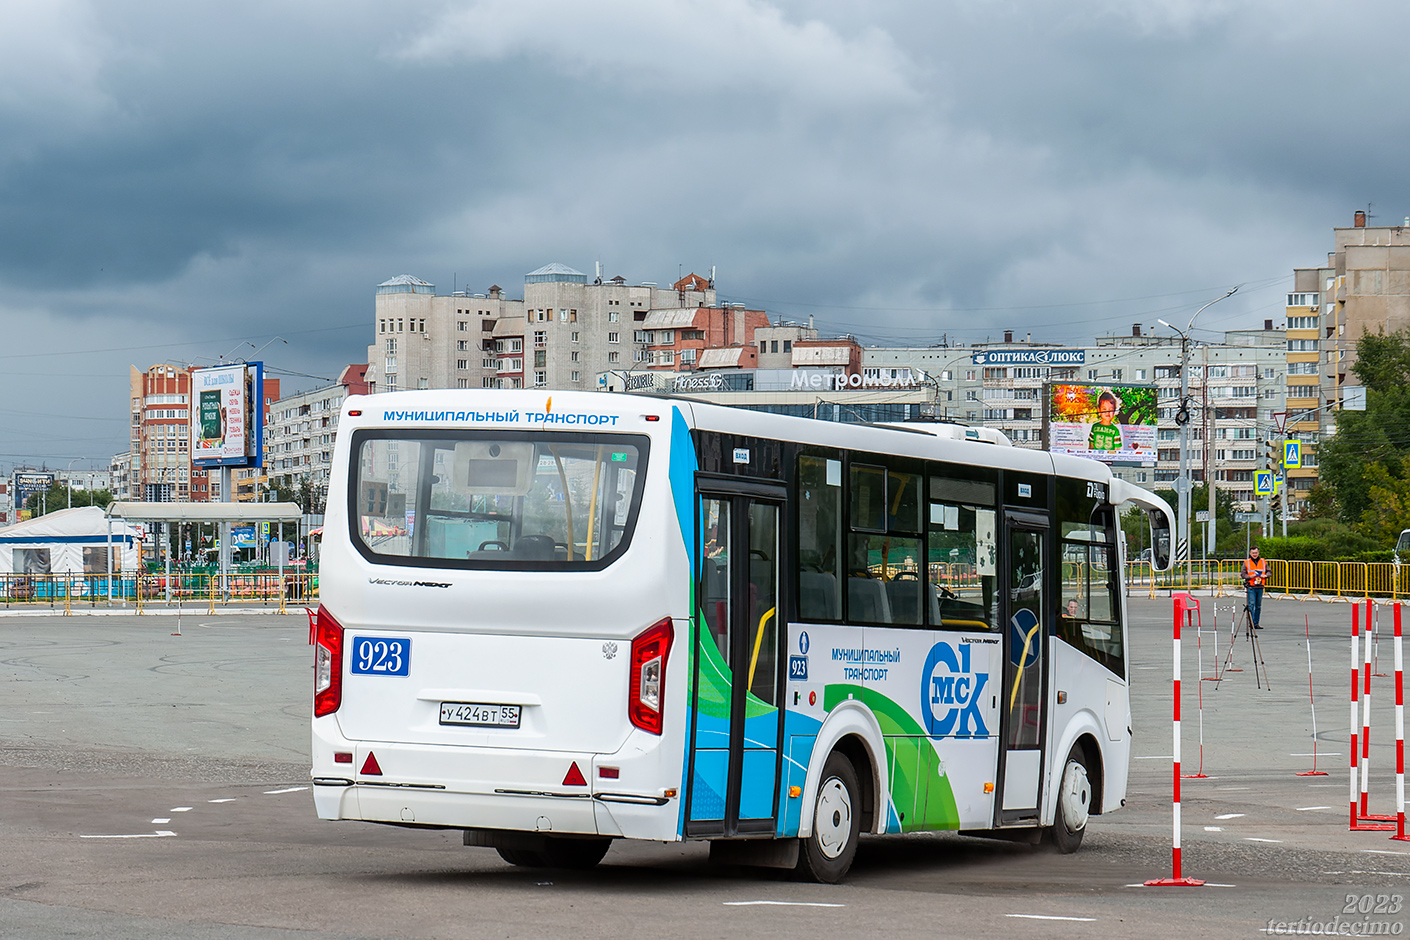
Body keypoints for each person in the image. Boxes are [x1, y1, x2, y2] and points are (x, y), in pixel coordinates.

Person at [1242, 546, 1268, 629]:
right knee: (1251, 605)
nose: (1254, 554)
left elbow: (1269, 572)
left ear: (1258, 553)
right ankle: (1252, 623)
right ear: (1250, 553)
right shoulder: (1247, 562)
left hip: (1260, 586)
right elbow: (1243, 574)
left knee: (1258, 606)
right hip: (1251, 586)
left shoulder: (1263, 562)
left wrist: (1266, 575)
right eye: (1253, 553)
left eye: (1256, 553)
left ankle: (1256, 623)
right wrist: (1250, 577)